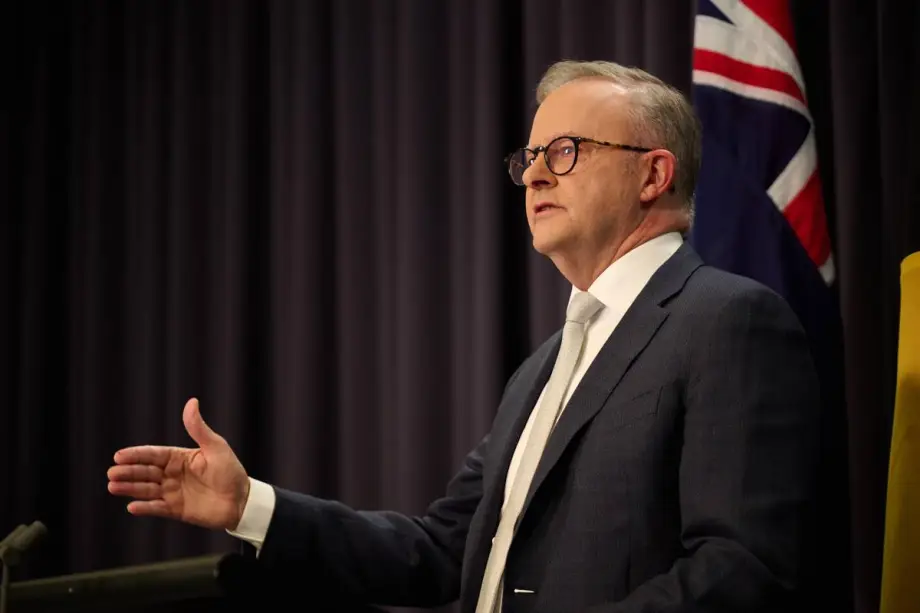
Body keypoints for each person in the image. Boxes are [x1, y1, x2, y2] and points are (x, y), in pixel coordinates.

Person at [107, 60, 821, 612]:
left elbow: (742, 570)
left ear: (653, 174)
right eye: (530, 156)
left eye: (566, 150)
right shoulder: (540, 373)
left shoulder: (729, 321)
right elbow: (439, 551)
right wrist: (250, 505)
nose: (535, 174)